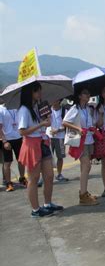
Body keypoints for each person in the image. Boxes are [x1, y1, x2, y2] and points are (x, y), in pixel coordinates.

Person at [17, 81, 63, 217]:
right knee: (34, 178)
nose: (40, 94)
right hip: (32, 144)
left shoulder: (37, 107)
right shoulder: (24, 110)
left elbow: (44, 124)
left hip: (42, 142)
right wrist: (41, 124)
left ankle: (47, 204)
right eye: (37, 91)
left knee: (49, 175)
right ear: (30, 93)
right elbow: (22, 131)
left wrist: (46, 121)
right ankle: (35, 209)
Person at [63, 87, 99, 206]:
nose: (88, 95)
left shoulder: (88, 109)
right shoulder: (75, 108)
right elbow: (65, 122)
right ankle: (83, 195)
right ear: (79, 96)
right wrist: (78, 128)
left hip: (89, 139)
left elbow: (91, 122)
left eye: (88, 93)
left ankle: (84, 192)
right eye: (85, 93)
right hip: (81, 141)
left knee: (86, 167)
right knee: (86, 165)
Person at [0, 105, 27, 191]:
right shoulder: (1, 109)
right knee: (7, 162)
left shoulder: (16, 107)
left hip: (18, 138)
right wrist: (4, 141)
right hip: (7, 139)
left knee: (21, 160)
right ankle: (8, 183)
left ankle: (22, 179)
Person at [48, 99, 69, 182]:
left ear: (59, 101)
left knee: (60, 157)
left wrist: (58, 130)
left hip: (60, 136)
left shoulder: (64, 111)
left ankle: (59, 174)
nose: (52, 101)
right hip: (49, 136)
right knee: (47, 158)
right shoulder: (48, 111)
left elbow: (67, 124)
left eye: (55, 99)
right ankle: (46, 175)